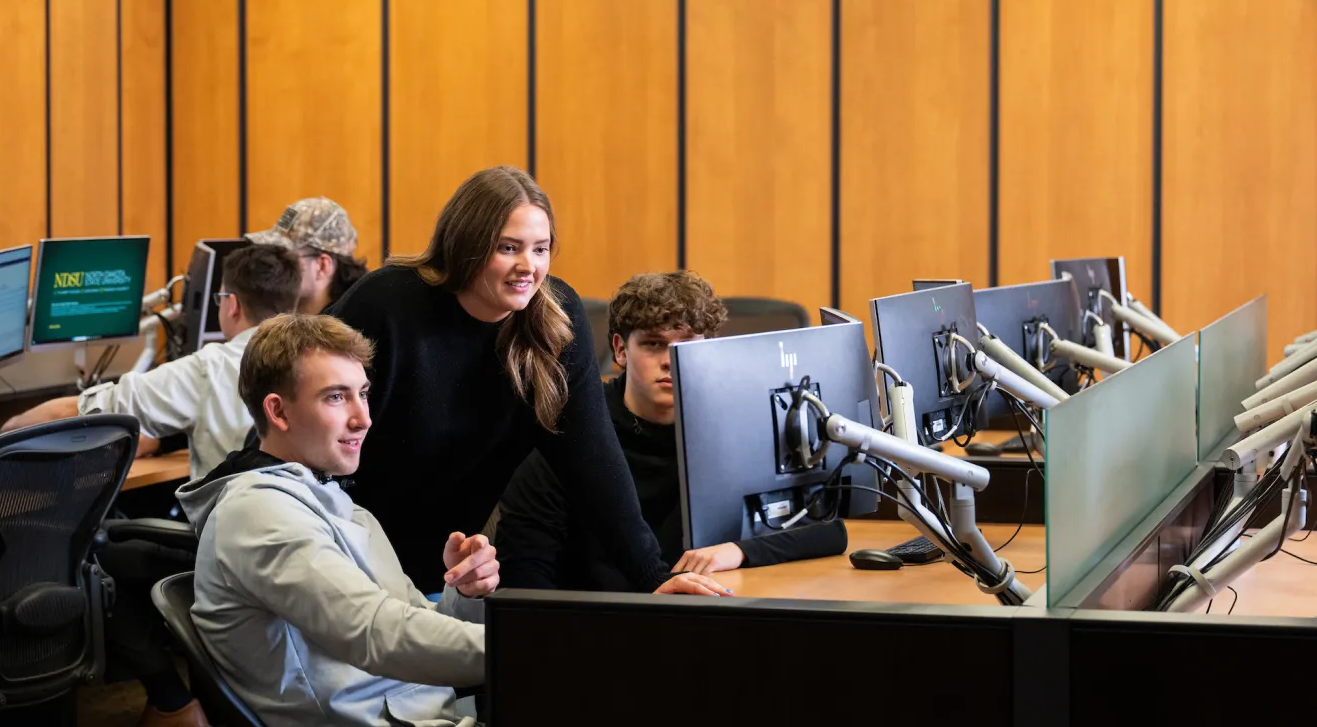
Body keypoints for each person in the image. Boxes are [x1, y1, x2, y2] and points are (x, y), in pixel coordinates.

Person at [179, 314, 729, 727]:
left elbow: (406, 616)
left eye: (364, 394)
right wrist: (560, 646)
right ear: (277, 411)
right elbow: (380, 635)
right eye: (336, 397)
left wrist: (461, 593)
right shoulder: (262, 514)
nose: (363, 418)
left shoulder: (322, 494)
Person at [323, 166, 713, 595]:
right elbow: (308, 415)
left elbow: (593, 461)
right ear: (467, 246)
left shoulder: (556, 320)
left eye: (541, 249)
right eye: (509, 248)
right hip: (344, 548)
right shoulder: (385, 303)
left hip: (445, 570)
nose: (528, 266)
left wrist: (652, 576)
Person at [495, 271, 848, 590]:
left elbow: (827, 529)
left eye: (685, 344)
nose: (669, 359)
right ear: (620, 349)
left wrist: (738, 551)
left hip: (704, 610)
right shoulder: (574, 427)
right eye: (653, 344)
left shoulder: (739, 424)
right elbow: (525, 565)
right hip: (597, 621)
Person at [2, 243, 301, 480]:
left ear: (232, 304)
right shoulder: (322, 358)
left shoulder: (209, 368)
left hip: (230, 544)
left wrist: (5, 434)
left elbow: (84, 410)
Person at [246, 196, 370, 314]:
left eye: (285, 258)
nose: (274, 266)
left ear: (322, 266)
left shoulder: (352, 330)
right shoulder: (283, 321)